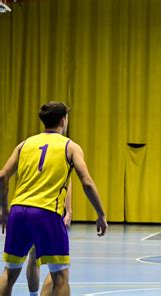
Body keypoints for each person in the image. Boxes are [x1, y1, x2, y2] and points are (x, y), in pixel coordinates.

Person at [0, 101, 108, 296]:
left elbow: (2, 176)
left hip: (18, 211)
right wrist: (101, 214)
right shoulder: (70, 146)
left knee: (9, 273)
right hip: (46, 213)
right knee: (60, 277)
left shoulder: (24, 144)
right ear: (63, 120)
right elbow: (87, 182)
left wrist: (4, 209)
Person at [25, 182, 72, 296]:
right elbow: (69, 181)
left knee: (33, 257)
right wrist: (69, 211)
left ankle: (33, 294)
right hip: (51, 211)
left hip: (27, 207)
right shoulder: (64, 164)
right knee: (60, 267)